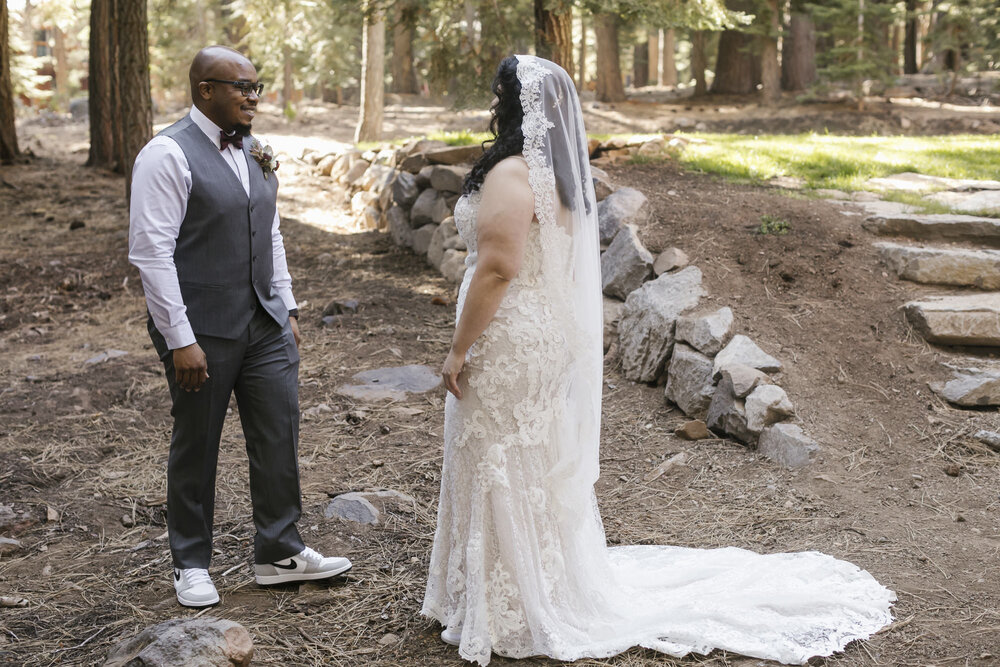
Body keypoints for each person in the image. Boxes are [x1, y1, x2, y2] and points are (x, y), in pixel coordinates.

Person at [422, 54, 895, 666]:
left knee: (493, 451)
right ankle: (518, 587)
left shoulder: (514, 175)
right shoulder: (557, 178)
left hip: (509, 336)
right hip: (538, 333)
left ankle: (513, 603)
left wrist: (459, 347)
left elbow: (499, 267)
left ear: (509, 105)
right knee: (521, 457)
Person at [128, 45, 351, 608]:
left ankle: (279, 550)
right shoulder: (165, 155)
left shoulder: (256, 150)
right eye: (241, 87)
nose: (254, 96)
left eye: (257, 85)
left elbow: (269, 233)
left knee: (279, 434)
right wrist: (180, 339)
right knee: (197, 444)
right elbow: (151, 254)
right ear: (205, 89)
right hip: (201, 331)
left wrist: (289, 307)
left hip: (266, 323)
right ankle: (190, 562)